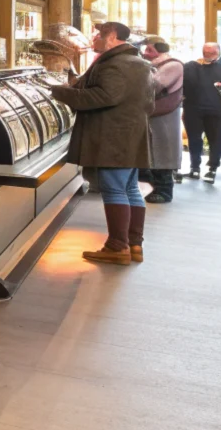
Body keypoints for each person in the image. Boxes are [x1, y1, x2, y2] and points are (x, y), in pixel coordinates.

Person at [49, 21, 158, 265]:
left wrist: (59, 92)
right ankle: (134, 244)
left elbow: (104, 96)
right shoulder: (140, 63)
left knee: (115, 189)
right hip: (131, 135)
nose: (94, 38)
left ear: (112, 36)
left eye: (99, 34)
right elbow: (150, 103)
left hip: (113, 137)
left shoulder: (114, 64)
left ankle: (117, 247)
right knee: (130, 188)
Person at [180, 41, 221, 182]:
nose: (208, 55)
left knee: (215, 140)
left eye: (211, 52)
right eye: (206, 52)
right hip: (194, 108)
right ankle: (195, 168)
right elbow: (183, 85)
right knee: (194, 139)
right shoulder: (190, 66)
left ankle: (212, 168)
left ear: (218, 52)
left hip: (215, 109)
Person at [141, 37, 183, 203]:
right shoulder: (157, 64)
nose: (145, 53)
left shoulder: (172, 65)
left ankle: (164, 190)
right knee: (154, 152)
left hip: (164, 116)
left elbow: (154, 85)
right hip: (154, 115)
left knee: (163, 152)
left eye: (149, 49)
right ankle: (152, 186)